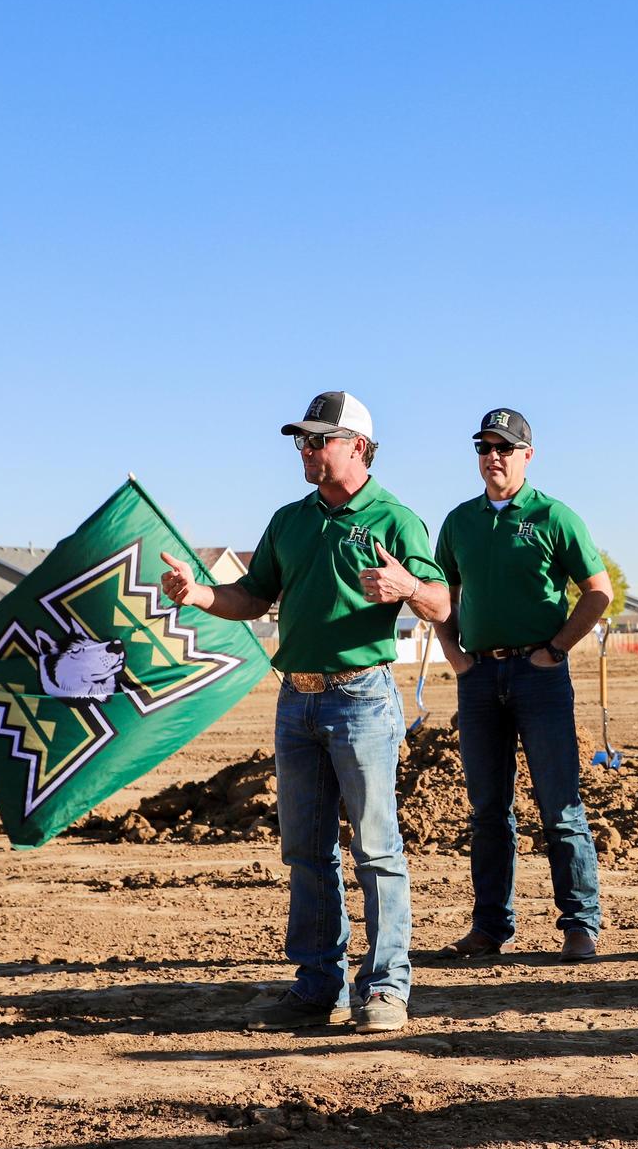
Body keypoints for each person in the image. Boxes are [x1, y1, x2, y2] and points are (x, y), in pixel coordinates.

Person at [159, 390, 449, 1034]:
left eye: (317, 440)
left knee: (375, 848)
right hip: (297, 700)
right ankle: (318, 985)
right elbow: (253, 594)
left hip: (362, 699)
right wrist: (199, 594)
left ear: (357, 447)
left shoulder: (396, 519)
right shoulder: (289, 521)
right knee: (306, 850)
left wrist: (407, 587)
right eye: (302, 441)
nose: (305, 451)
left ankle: (387, 989)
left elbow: (441, 603)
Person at [430, 407, 612, 963]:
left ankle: (580, 923)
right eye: (484, 448)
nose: (493, 457)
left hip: (541, 680)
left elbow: (598, 592)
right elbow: (441, 595)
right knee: (488, 809)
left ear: (527, 456)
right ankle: (490, 927)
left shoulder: (555, 517)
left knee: (559, 805)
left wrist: (555, 650)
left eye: (504, 448)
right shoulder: (459, 522)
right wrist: (455, 655)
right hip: (480, 678)